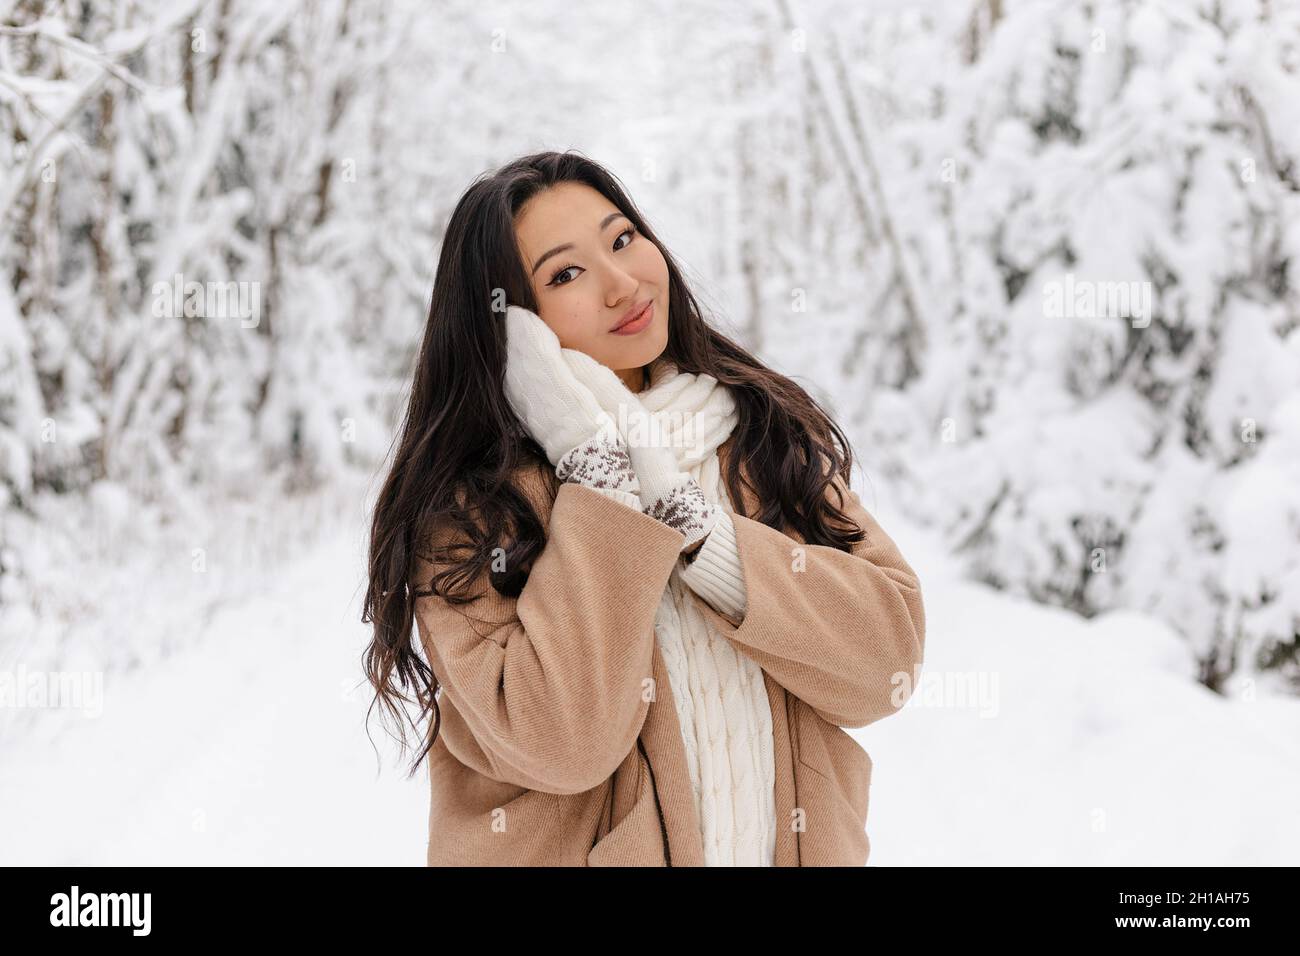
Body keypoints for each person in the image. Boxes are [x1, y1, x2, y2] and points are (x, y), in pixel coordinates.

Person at [362, 150, 926, 866]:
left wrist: (702, 537)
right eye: (566, 274)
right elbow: (563, 742)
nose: (623, 283)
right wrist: (597, 477)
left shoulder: (757, 437)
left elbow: (887, 667)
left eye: (623, 239)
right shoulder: (473, 513)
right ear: (513, 326)